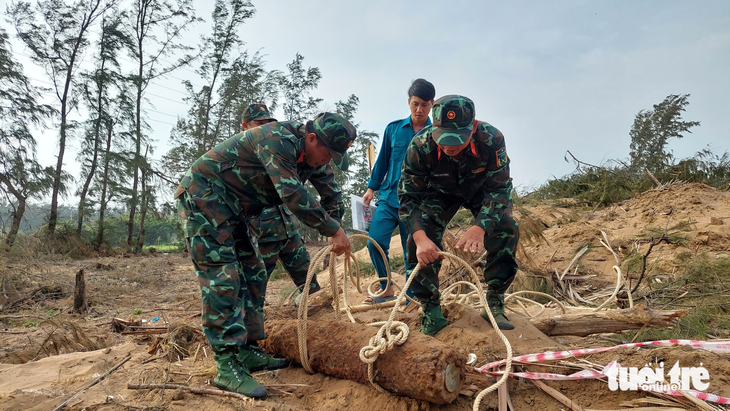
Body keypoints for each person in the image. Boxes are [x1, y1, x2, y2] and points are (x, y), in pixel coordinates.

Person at [176, 112, 355, 398]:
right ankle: (226, 364)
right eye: (326, 154)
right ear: (311, 138)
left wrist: (336, 221)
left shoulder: (315, 156)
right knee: (223, 278)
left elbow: (331, 193)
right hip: (204, 198)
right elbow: (292, 193)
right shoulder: (277, 139)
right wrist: (331, 229)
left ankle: (247, 349)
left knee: (254, 273)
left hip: (237, 210)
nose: (327, 161)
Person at [398, 95, 520, 336]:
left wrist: (480, 227)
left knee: (506, 227)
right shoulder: (420, 146)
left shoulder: (492, 139)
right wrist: (422, 238)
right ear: (433, 128)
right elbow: (408, 198)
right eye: (443, 139)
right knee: (417, 239)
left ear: (472, 128)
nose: (449, 147)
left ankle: (494, 300)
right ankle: (431, 309)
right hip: (440, 193)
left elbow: (500, 189)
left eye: (457, 140)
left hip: (481, 191)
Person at [361, 78, 435, 303]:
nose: (419, 109)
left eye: (424, 104)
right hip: (389, 199)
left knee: (410, 251)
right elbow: (382, 160)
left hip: (416, 204)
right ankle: (386, 288)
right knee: (374, 242)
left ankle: (411, 298)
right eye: (415, 104)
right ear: (408, 102)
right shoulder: (393, 129)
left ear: (432, 104)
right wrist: (371, 188)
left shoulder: (437, 134)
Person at [240, 104, 321, 304]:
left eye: (268, 124)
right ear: (245, 126)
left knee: (311, 283)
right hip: (262, 234)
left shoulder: (280, 148)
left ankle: (314, 318)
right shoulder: (243, 156)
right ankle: (256, 323)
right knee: (255, 287)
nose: (264, 128)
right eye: (258, 124)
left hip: (288, 231)